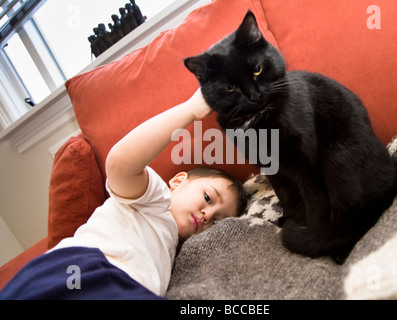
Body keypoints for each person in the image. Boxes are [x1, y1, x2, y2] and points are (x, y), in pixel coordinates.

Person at [0, 89, 247, 300]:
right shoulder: (154, 200)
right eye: (207, 198)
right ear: (178, 181)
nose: (208, 216)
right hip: (83, 270)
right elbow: (119, 164)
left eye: (217, 221)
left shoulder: (178, 255)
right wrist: (191, 110)